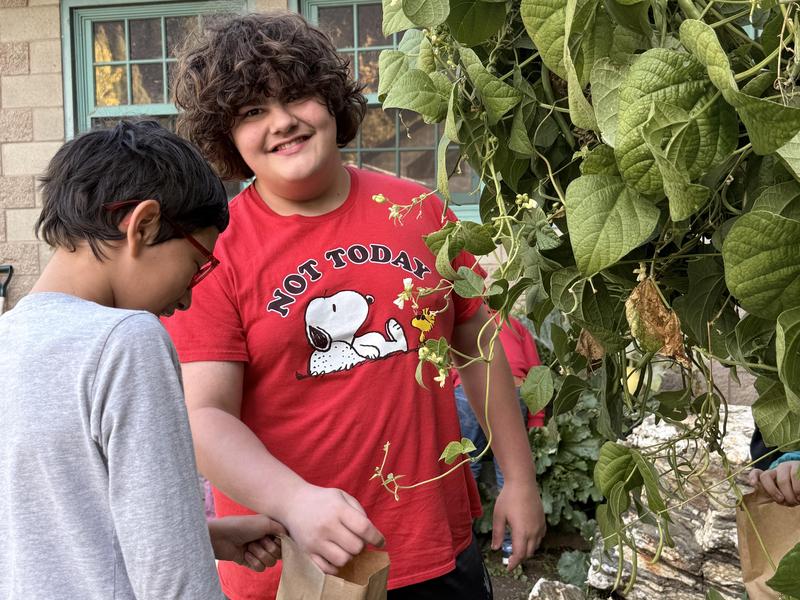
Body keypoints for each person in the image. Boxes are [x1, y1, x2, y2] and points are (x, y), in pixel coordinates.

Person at [164, 11, 546, 600]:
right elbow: (205, 418)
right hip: (294, 566)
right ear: (227, 137)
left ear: (332, 101)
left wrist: (519, 479)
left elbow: (477, 344)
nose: (283, 123)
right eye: (252, 112)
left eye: (297, 96)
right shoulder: (218, 248)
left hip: (432, 550)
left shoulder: (419, 210)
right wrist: (295, 501)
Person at [0, 120, 285, 600]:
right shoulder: (126, 339)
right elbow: (172, 579)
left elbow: (45, 528)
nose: (187, 299)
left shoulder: (8, 339)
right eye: (197, 265)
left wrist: (204, 537)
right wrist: (187, 553)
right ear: (144, 224)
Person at [452, 315, 544, 563]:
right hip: (515, 388)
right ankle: (511, 547)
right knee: (509, 468)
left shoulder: (459, 320)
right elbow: (536, 372)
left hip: (467, 391)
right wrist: (537, 417)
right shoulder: (513, 323)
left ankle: (460, 543)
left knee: (466, 464)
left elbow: (449, 361)